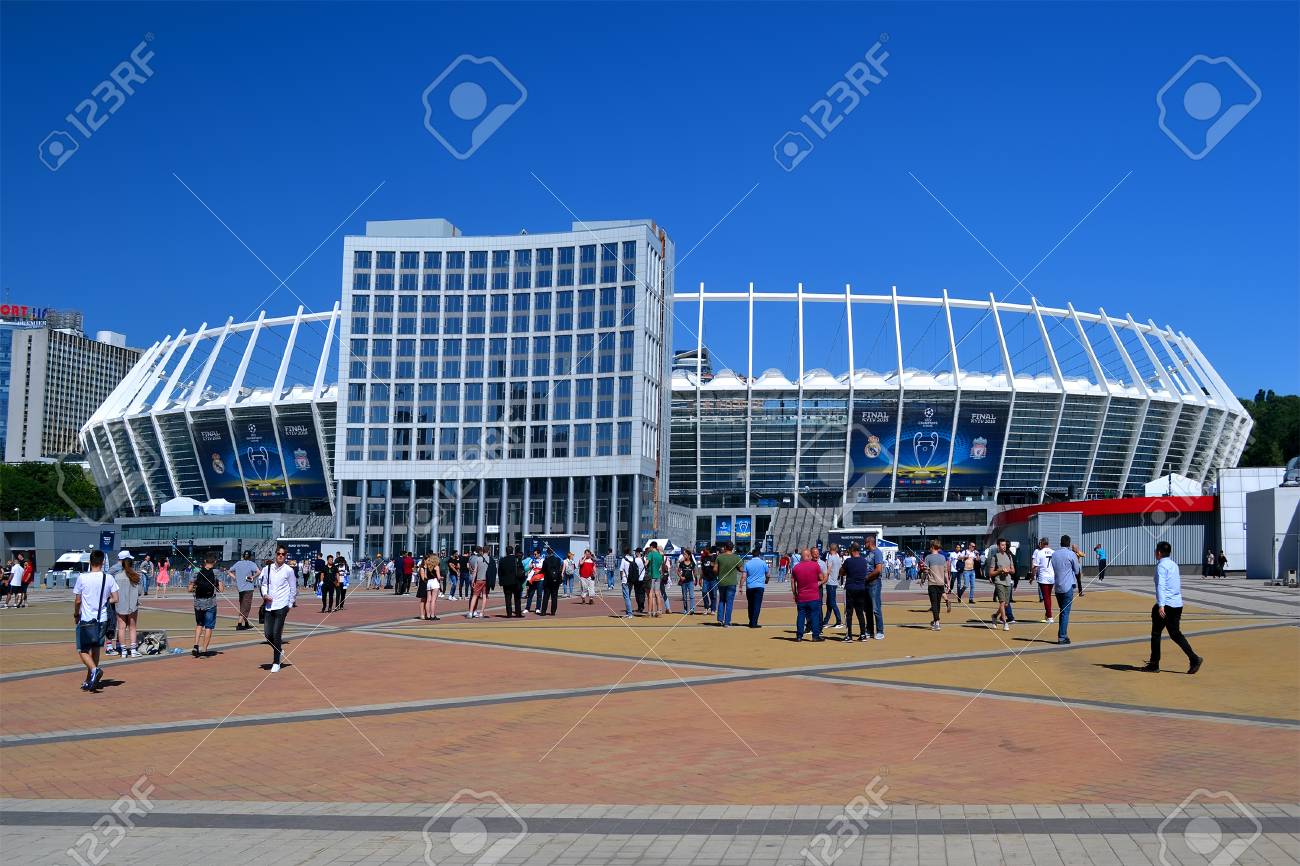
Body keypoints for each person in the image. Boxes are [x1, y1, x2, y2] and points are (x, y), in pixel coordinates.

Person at [1143, 541, 1203, 674]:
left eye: (1156, 551)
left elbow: (1161, 586)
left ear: (1159, 552)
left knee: (1156, 634)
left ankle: (1154, 664)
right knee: (1175, 634)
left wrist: (1161, 605)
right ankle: (1194, 658)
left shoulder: (1161, 566)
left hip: (1166, 605)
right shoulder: (1174, 565)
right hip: (1177, 604)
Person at [74, 550, 119, 691]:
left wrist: (76, 614)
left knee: (82, 650)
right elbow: (116, 598)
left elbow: (78, 600)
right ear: (103, 562)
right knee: (95, 649)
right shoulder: (108, 578)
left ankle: (94, 670)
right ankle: (90, 679)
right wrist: (105, 602)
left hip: (86, 619)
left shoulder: (82, 578)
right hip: (102, 618)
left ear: (90, 562)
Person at [260, 546, 297, 672]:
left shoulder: (288, 570)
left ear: (285, 556)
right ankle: (279, 650)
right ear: (275, 555)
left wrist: (290, 604)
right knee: (268, 634)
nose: (281, 556)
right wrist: (265, 594)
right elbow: (263, 584)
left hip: (282, 605)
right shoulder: (267, 569)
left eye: (283, 554)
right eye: (278, 553)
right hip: (269, 605)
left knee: (276, 633)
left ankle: (276, 662)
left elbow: (293, 588)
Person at [1049, 534, 1083, 644]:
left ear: (1060, 543)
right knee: (1065, 613)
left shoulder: (1054, 554)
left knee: (1062, 611)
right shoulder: (1071, 554)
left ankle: (1063, 634)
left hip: (1057, 587)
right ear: (1069, 543)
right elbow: (1077, 570)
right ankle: (1062, 637)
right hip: (1067, 586)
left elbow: (1053, 567)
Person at [189, 552, 223, 658]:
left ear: (205, 561)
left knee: (199, 624)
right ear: (215, 561)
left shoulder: (196, 572)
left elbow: (189, 589)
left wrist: (195, 588)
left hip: (198, 602)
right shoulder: (216, 572)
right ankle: (204, 650)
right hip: (210, 602)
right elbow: (221, 589)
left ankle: (195, 645)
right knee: (208, 626)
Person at [790, 546, 826, 641]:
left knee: (801, 616)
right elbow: (821, 578)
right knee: (815, 616)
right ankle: (815, 635)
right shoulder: (815, 565)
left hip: (802, 596)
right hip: (813, 596)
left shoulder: (796, 568)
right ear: (809, 556)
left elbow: (793, 582)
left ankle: (799, 636)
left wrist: (795, 594)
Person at [110, 551, 142, 657]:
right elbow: (140, 592)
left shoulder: (117, 577)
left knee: (121, 627)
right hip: (133, 604)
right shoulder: (136, 576)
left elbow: (113, 591)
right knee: (132, 627)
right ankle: (133, 650)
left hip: (120, 604)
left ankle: (123, 651)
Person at [840, 543, 869, 642]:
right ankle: (863, 634)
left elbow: (842, 572)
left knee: (849, 613)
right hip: (861, 588)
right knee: (860, 612)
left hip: (850, 588)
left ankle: (849, 635)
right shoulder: (864, 561)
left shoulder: (848, 561)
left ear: (852, 550)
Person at [988, 538, 1016, 631]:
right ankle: (1005, 623)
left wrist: (1009, 570)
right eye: (1002, 545)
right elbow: (991, 573)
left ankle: (995, 616)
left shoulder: (1009, 556)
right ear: (998, 546)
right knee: (1002, 602)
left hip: (1008, 581)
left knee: (1006, 604)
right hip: (999, 581)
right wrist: (1000, 570)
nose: (1004, 547)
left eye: (1005, 545)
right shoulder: (995, 557)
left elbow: (1013, 570)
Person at [228, 550, 260, 631]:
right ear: (250, 557)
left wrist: (235, 578)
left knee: (243, 605)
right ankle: (239, 624)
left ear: (243, 556)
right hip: (248, 588)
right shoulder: (251, 563)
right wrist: (253, 577)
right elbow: (258, 572)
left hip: (240, 588)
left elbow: (229, 571)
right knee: (246, 607)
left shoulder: (238, 563)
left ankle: (246, 623)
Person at [922, 540, 950, 630]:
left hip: (932, 583)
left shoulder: (928, 557)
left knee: (934, 603)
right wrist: (948, 582)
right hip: (941, 583)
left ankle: (937, 622)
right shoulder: (942, 557)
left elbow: (926, 571)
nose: (929, 549)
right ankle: (935, 621)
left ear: (932, 547)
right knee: (937, 603)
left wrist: (922, 580)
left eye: (930, 547)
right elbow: (946, 571)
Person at [713, 542, 743, 627]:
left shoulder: (720, 557)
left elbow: (715, 569)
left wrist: (718, 573)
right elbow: (741, 569)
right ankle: (727, 622)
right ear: (732, 548)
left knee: (722, 600)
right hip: (732, 583)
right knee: (729, 602)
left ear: (725, 547)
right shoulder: (736, 557)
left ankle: (720, 619)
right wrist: (736, 568)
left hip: (722, 582)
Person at [863, 535, 886, 639]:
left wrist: (867, 577)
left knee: (876, 607)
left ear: (869, 543)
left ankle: (880, 631)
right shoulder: (868, 553)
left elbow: (878, 569)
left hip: (874, 582)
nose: (864, 545)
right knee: (867, 608)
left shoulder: (877, 553)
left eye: (865, 543)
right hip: (867, 583)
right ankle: (869, 630)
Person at [743, 548, 769, 628]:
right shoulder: (763, 563)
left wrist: (740, 586)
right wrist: (766, 581)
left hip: (750, 586)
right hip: (759, 586)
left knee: (750, 604)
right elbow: (768, 574)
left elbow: (744, 576)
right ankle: (754, 622)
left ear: (752, 555)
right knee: (757, 605)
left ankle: (751, 621)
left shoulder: (747, 563)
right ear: (759, 555)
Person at [1032, 537, 1056, 623]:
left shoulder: (1039, 553)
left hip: (1043, 577)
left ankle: (1049, 616)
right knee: (1048, 596)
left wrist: (1032, 576)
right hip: (1052, 577)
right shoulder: (1053, 552)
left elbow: (1035, 567)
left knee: (1046, 597)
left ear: (1042, 543)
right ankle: (1047, 615)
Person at [498, 546, 524, 618]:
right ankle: (518, 613)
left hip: (506, 582)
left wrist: (501, 581)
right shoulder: (516, 559)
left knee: (508, 598)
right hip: (516, 581)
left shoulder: (502, 560)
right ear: (512, 551)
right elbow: (521, 570)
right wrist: (522, 580)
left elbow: (500, 572)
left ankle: (509, 614)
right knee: (517, 598)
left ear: (506, 551)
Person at [823, 544, 844, 630]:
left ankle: (839, 621)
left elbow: (828, 570)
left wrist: (823, 578)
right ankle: (825, 621)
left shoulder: (831, 558)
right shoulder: (838, 558)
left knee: (832, 603)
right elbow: (840, 570)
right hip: (834, 582)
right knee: (829, 603)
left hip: (830, 582)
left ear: (830, 549)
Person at [645, 542, 665, 618]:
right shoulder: (660, 555)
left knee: (650, 594)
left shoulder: (651, 554)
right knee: (657, 594)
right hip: (658, 575)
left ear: (652, 547)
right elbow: (661, 565)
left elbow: (646, 563)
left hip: (651, 575)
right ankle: (659, 611)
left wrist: (646, 563)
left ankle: (649, 612)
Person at [468, 547, 489, 618]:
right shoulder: (490, 559)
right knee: (484, 596)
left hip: (478, 579)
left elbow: (475, 571)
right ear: (489, 551)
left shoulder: (477, 559)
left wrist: (473, 580)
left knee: (474, 595)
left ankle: (470, 612)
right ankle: (481, 613)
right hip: (486, 580)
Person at [617, 545, 637, 618]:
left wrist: (621, 578)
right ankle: (628, 612)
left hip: (625, 579)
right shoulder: (633, 558)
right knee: (628, 596)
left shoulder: (624, 559)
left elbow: (621, 570)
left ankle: (629, 613)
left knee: (626, 597)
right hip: (631, 579)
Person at [677, 549, 697, 614]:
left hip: (690, 581)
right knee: (684, 596)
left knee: (691, 595)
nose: (684, 556)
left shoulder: (692, 563)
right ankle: (685, 609)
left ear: (689, 555)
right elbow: (678, 571)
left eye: (685, 554)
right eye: (683, 554)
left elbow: (694, 572)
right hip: (684, 582)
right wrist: (681, 577)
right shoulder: (682, 563)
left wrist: (696, 579)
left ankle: (692, 609)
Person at [424, 554, 443, 620]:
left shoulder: (427, 566)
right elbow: (438, 577)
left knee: (428, 600)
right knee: (433, 600)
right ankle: (432, 615)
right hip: (434, 582)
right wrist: (441, 578)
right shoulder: (436, 567)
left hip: (429, 582)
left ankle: (428, 615)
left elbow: (425, 576)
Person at [699, 546, 717, 614]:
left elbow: (718, 566)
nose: (704, 550)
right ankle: (706, 607)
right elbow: (702, 569)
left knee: (713, 594)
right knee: (704, 592)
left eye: (705, 549)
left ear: (708, 550)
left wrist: (714, 564)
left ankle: (713, 609)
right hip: (705, 578)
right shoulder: (704, 558)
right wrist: (700, 578)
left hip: (713, 578)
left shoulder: (715, 557)